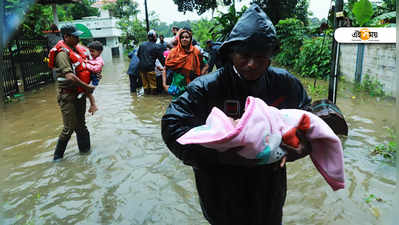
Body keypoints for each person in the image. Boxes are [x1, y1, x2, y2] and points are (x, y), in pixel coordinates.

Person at [161, 4, 312, 225]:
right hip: (219, 187)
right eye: (245, 55)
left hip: (268, 187)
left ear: (271, 56)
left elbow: (310, 116)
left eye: (261, 57)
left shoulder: (285, 84)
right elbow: (172, 125)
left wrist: (298, 147)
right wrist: (218, 157)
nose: (252, 64)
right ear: (232, 53)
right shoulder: (206, 87)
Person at [48, 24, 95, 161]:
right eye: (75, 36)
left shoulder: (76, 50)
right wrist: (87, 87)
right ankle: (57, 160)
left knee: (81, 126)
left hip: (79, 93)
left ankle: (86, 154)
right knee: (68, 128)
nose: (78, 38)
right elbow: (69, 76)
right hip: (67, 95)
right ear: (66, 37)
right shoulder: (62, 53)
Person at [161, 28, 206, 98]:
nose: (184, 39)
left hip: (192, 85)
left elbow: (206, 65)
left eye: (187, 37)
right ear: (179, 39)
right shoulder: (173, 52)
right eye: (182, 37)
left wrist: (200, 79)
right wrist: (164, 85)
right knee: (177, 106)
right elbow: (165, 69)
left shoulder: (196, 52)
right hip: (177, 86)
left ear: (190, 39)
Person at [137, 30, 165, 95]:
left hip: (141, 68)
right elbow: (161, 59)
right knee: (153, 86)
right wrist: (166, 67)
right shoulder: (157, 46)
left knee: (145, 86)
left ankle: (146, 98)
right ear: (155, 37)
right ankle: (152, 99)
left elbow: (138, 55)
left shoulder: (141, 45)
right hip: (150, 68)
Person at [82, 40, 104, 115]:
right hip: (93, 78)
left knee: (89, 91)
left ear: (99, 52)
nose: (91, 53)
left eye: (93, 51)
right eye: (90, 51)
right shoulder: (94, 59)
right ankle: (92, 107)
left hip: (94, 79)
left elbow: (96, 69)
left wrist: (86, 65)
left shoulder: (99, 60)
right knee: (87, 92)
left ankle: (93, 106)